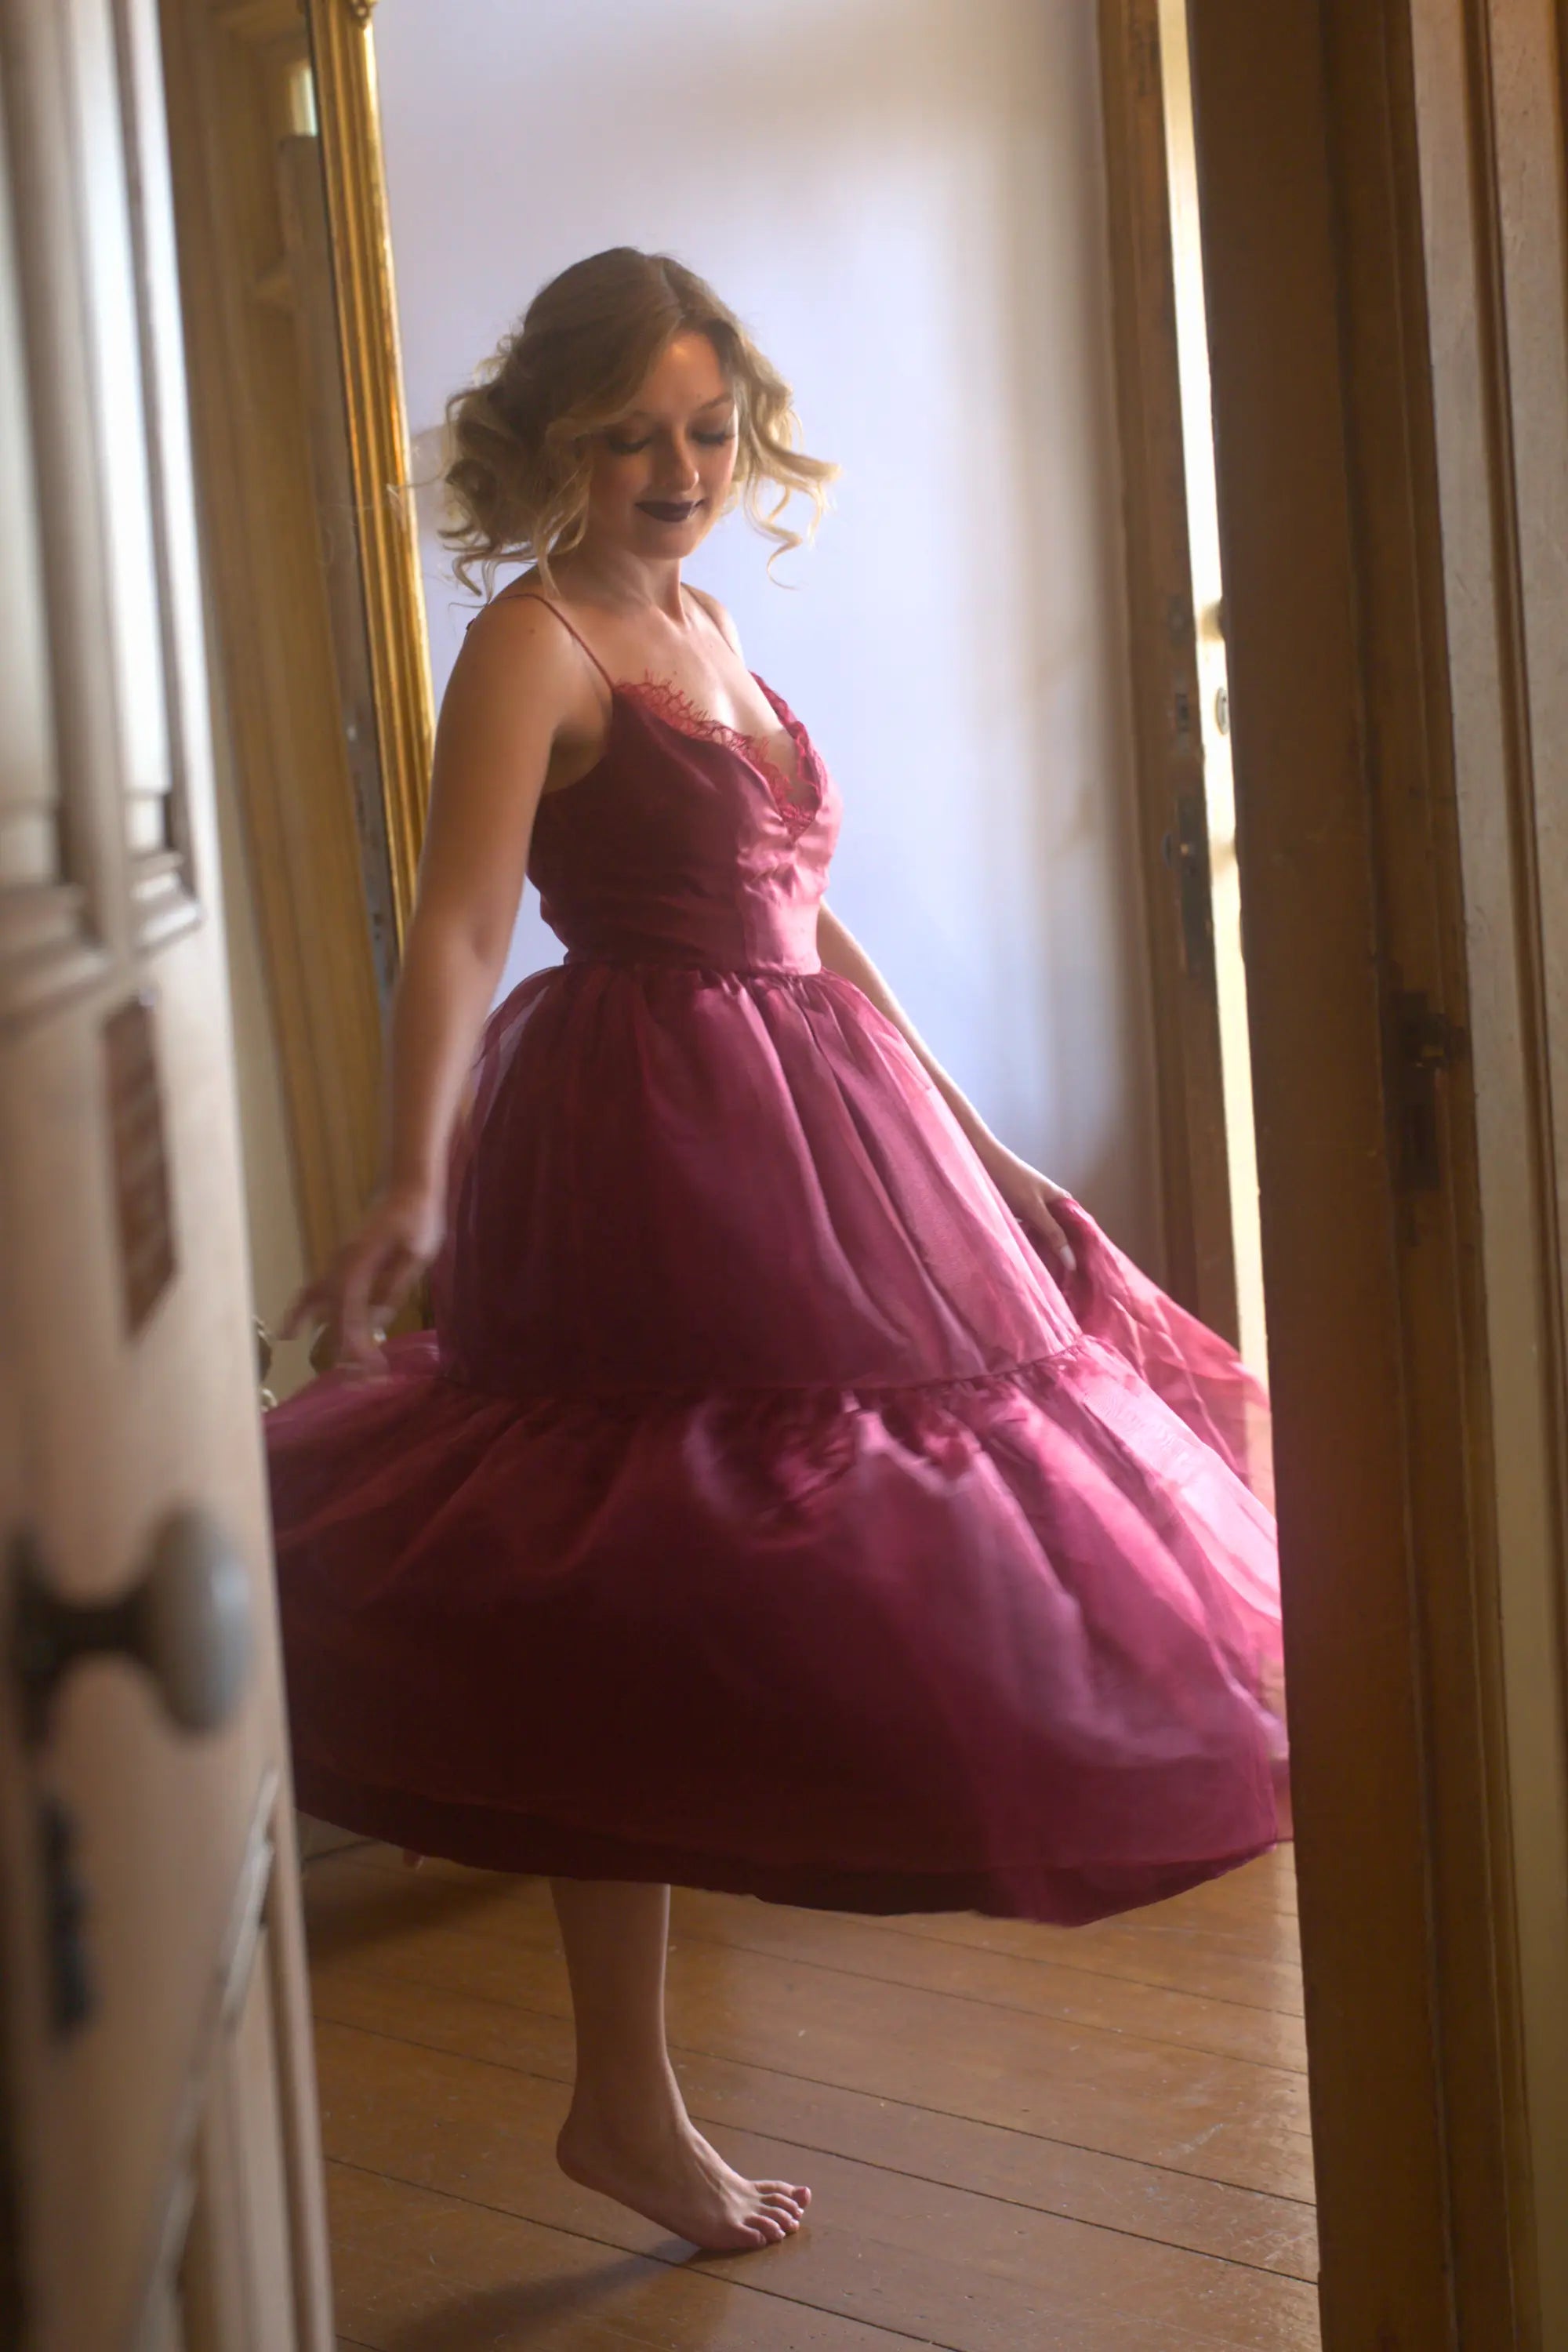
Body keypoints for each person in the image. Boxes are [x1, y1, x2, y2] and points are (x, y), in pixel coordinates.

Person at [266, 246, 1287, 2256]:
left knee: (755, 1570)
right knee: (624, 1581)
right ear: (552, 441)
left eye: (708, 430)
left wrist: (979, 1142)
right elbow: (465, 928)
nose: (677, 466)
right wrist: (413, 1179)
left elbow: (806, 916)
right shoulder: (532, 643)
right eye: (629, 433)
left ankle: (630, 2096)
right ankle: (628, 2104)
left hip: (827, 1120)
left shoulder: (709, 620)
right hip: (646, 1135)